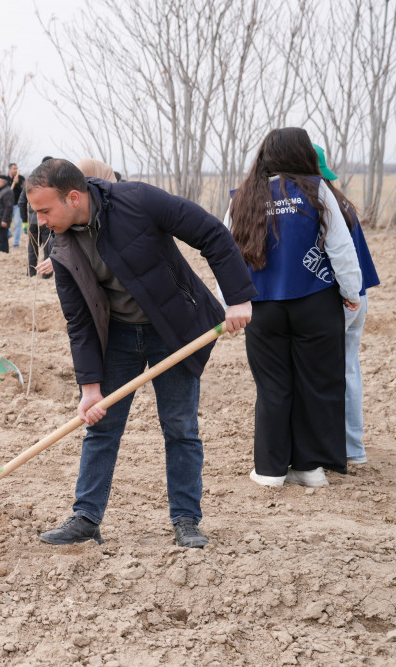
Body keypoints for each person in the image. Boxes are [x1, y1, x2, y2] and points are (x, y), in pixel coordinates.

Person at [27, 159, 255, 549]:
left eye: (45, 210)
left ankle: (186, 520)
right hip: (116, 338)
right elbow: (79, 322)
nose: (41, 221)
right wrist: (90, 387)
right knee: (100, 427)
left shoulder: (137, 200)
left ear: (74, 197)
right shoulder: (62, 248)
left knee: (180, 427)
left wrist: (238, 298)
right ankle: (86, 517)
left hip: (175, 330)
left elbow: (211, 233)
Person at [225, 128, 362, 489]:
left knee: (272, 386)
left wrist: (232, 302)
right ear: (303, 154)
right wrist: (351, 290)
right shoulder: (317, 190)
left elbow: (226, 255)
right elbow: (340, 247)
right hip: (315, 301)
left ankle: (270, 470)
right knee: (315, 383)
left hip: (261, 306)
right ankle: (309, 467)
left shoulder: (241, 198)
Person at [313, 143, 380, 466]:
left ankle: (325, 449)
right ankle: (353, 448)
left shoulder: (318, 207)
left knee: (320, 374)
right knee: (349, 369)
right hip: (359, 296)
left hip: (340, 298)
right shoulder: (343, 202)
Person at [21, 155, 55, 277]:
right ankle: (46, 274)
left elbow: (21, 202)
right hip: (47, 221)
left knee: (32, 249)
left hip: (32, 222)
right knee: (48, 248)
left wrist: (25, 221)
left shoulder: (31, 181)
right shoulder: (53, 181)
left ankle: (31, 273)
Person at [9, 163, 26, 248]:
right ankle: (6, 237)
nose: (15, 170)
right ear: (9, 170)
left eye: (16, 168)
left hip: (17, 205)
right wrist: (12, 182)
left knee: (17, 224)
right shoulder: (6, 179)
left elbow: (24, 191)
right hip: (7, 206)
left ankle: (16, 243)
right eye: (14, 169)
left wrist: (17, 183)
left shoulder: (21, 178)